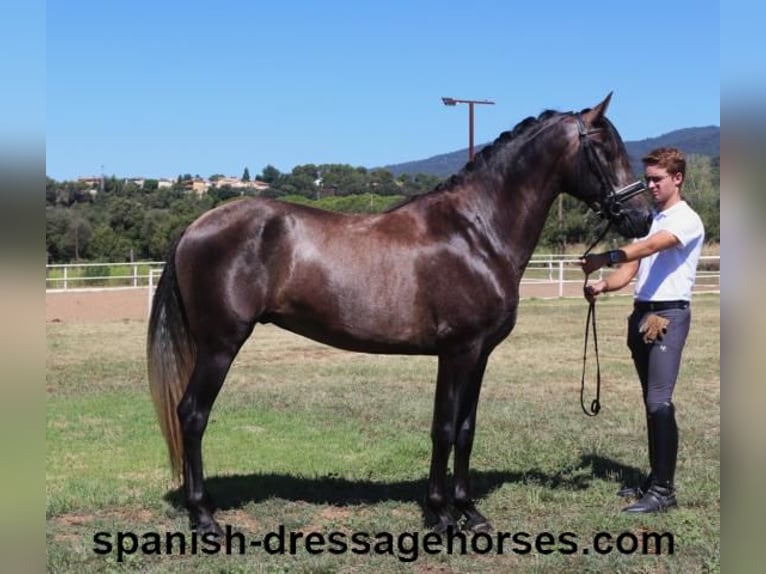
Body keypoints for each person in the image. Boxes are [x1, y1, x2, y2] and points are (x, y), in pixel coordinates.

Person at [580, 147, 705, 513]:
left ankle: (664, 491)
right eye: (648, 178)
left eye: (657, 179)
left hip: (668, 316)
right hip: (642, 315)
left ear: (677, 179)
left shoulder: (685, 220)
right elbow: (633, 267)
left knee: (659, 401)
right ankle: (655, 478)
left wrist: (606, 256)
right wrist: (604, 284)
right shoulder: (653, 218)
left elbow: (650, 248)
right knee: (651, 404)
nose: (650, 185)